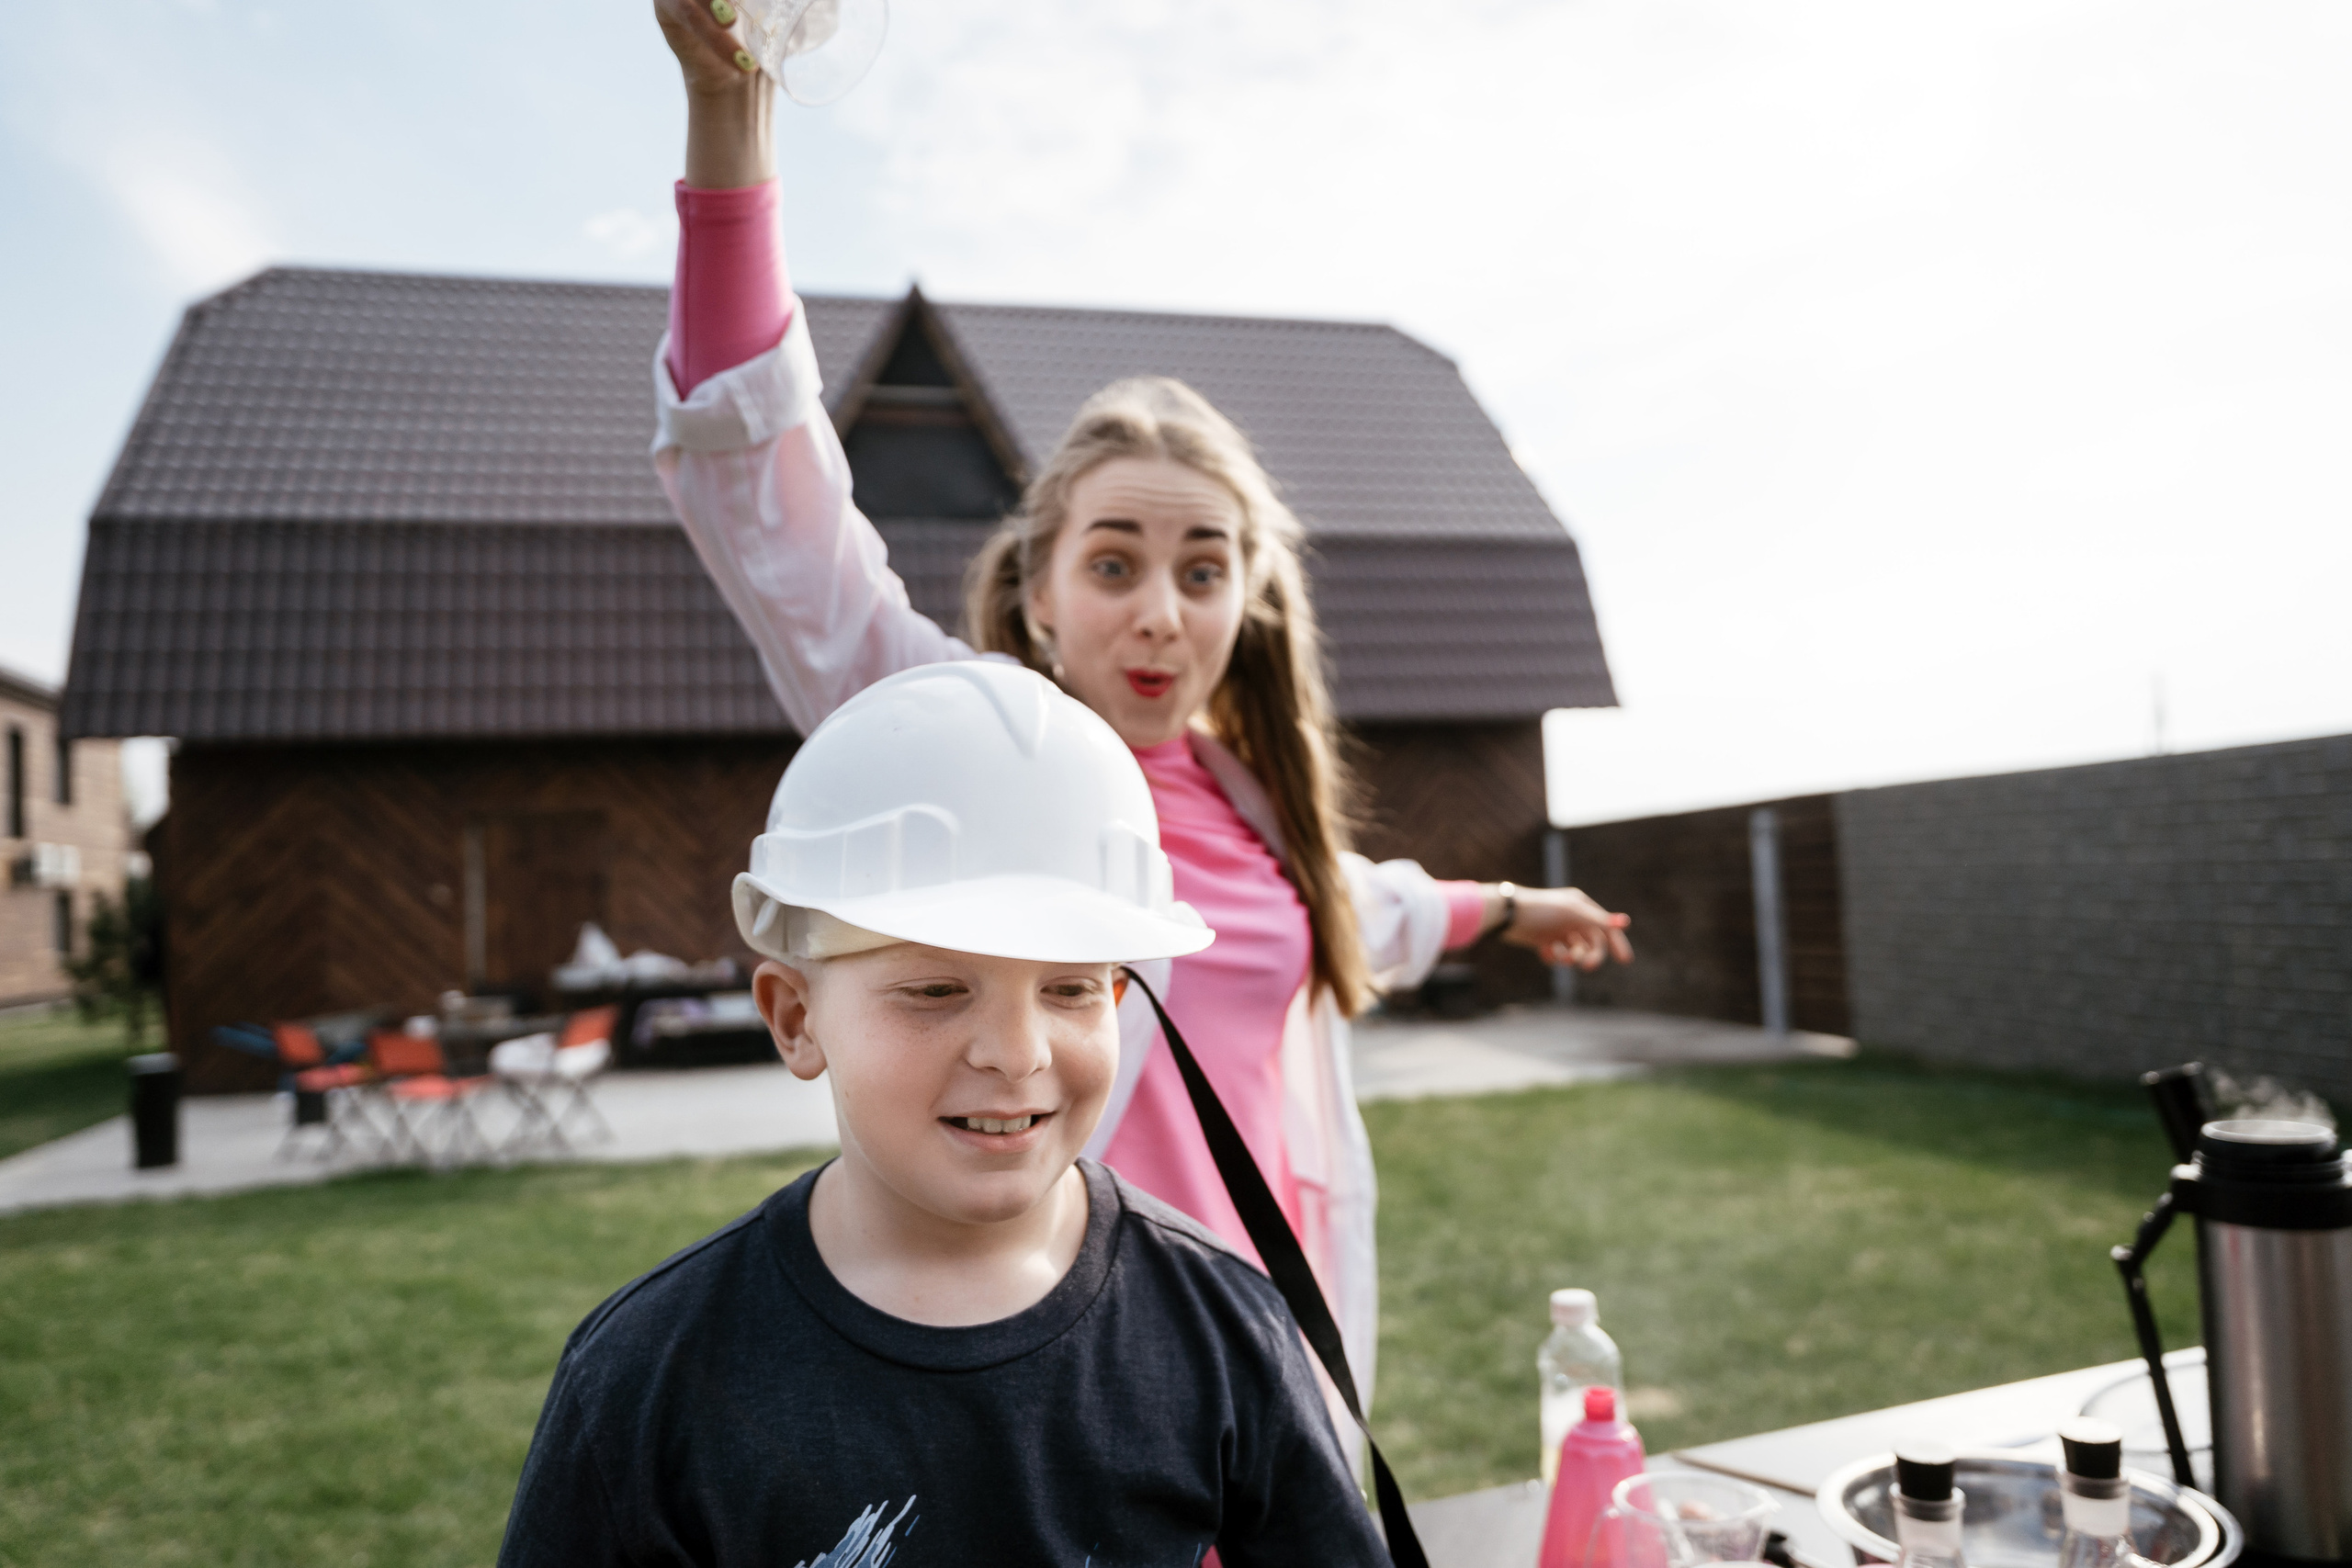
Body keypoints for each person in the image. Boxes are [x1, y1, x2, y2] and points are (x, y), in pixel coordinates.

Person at [647, 0, 1635, 1414]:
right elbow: (771, 505)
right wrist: (729, 117)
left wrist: (1518, 904)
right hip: (1071, 1361)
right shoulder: (962, 740)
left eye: (1202, 566)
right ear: (1039, 591)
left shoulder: (1252, 807)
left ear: (1251, 602)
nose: (1161, 609)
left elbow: (1371, 907)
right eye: (1114, 563)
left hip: (1276, 1336)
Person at [496, 661, 1390, 1566]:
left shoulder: (1222, 1328)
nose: (1017, 1051)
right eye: (933, 988)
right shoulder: (649, 1379)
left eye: (1071, 987)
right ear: (796, 1019)